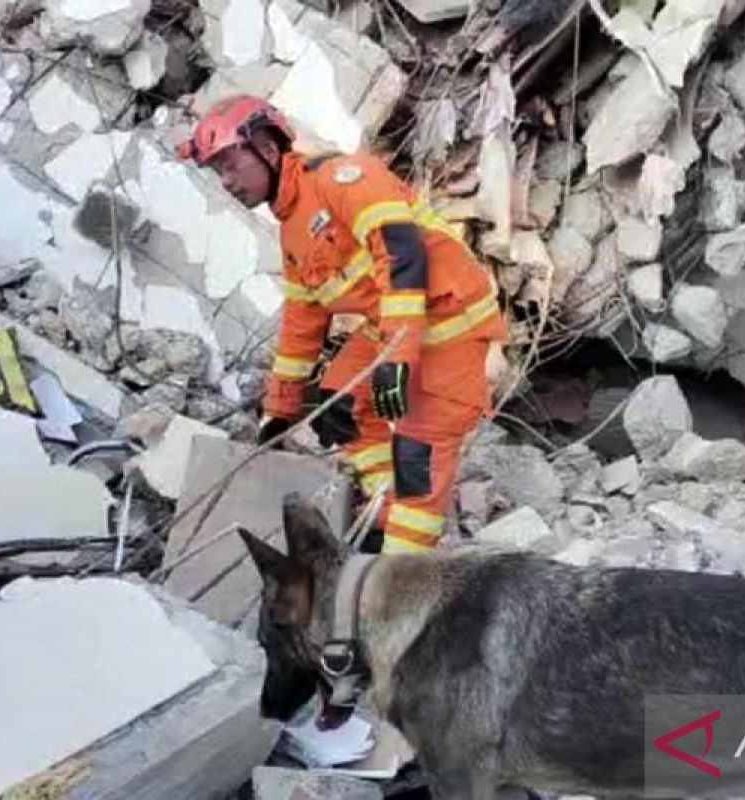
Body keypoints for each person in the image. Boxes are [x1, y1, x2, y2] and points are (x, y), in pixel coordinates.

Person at [178, 95, 506, 555]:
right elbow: (301, 324)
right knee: (338, 404)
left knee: (417, 458)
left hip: (450, 328)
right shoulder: (293, 227)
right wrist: (281, 411)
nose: (227, 182)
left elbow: (404, 259)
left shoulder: (343, 179)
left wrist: (395, 361)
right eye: (218, 172)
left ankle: (400, 575)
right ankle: (384, 506)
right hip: (398, 330)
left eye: (230, 165)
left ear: (268, 151)